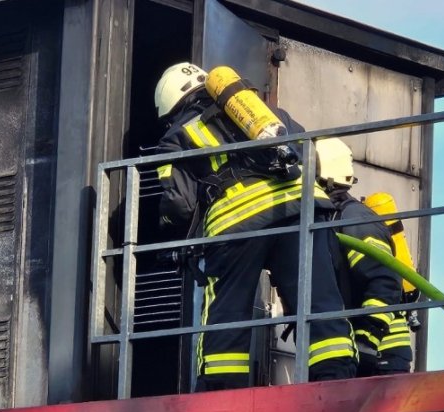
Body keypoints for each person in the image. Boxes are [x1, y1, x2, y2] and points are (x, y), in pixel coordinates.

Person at [152, 62, 357, 391]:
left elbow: (179, 204)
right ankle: (336, 377)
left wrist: (169, 230)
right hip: (299, 209)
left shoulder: (177, 135)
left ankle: (222, 389)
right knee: (317, 296)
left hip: (237, 222)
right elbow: (305, 152)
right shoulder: (262, 111)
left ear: (171, 105)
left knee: (227, 309)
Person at [314, 137, 413, 376]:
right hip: (355, 351)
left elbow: (384, 280)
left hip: (381, 352)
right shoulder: (328, 219)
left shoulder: (354, 219)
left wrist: (366, 340)